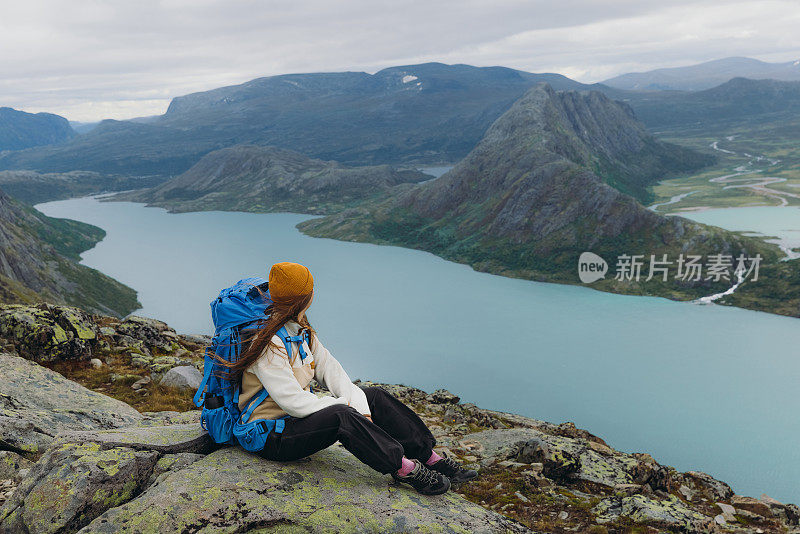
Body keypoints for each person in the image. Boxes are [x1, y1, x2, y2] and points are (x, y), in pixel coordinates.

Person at [221, 261, 477, 495]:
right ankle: (404, 469)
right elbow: (293, 402)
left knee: (372, 395)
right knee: (341, 414)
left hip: (293, 424)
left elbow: (333, 372)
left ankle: (430, 458)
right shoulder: (268, 344)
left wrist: (361, 408)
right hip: (270, 437)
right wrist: (346, 406)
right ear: (307, 298)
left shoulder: (301, 332)